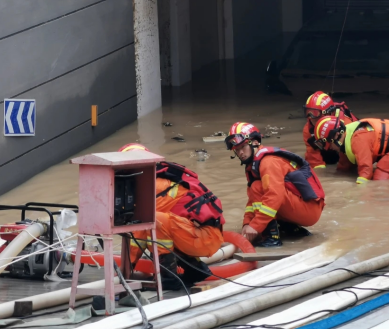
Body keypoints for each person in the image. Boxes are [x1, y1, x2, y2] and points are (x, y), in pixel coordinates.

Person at [119, 143, 225, 288]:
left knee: (155, 221)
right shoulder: (160, 178)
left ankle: (169, 278)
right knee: (162, 226)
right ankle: (196, 270)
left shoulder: (153, 186)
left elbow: (140, 230)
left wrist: (125, 271)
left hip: (204, 238)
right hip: (204, 236)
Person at [225, 123, 325, 247]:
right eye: (237, 150)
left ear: (255, 142)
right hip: (305, 206)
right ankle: (291, 229)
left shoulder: (268, 162)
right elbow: (252, 201)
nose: (240, 153)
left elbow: (274, 196)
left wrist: (255, 226)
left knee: (257, 187)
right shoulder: (253, 165)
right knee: (256, 189)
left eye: (243, 147)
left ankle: (272, 238)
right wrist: (247, 224)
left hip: (309, 210)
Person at [314, 114, 389, 183]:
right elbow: (343, 168)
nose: (329, 148)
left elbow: (366, 172)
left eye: (327, 143)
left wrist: (358, 194)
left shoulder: (358, 140)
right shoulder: (346, 140)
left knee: (379, 176)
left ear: (335, 136)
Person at [302, 91, 358, 169]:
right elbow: (313, 157)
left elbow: (349, 155)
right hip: (327, 149)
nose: (310, 117)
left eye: (315, 113)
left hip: (344, 148)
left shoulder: (346, 124)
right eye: (307, 112)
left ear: (328, 112)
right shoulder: (308, 129)